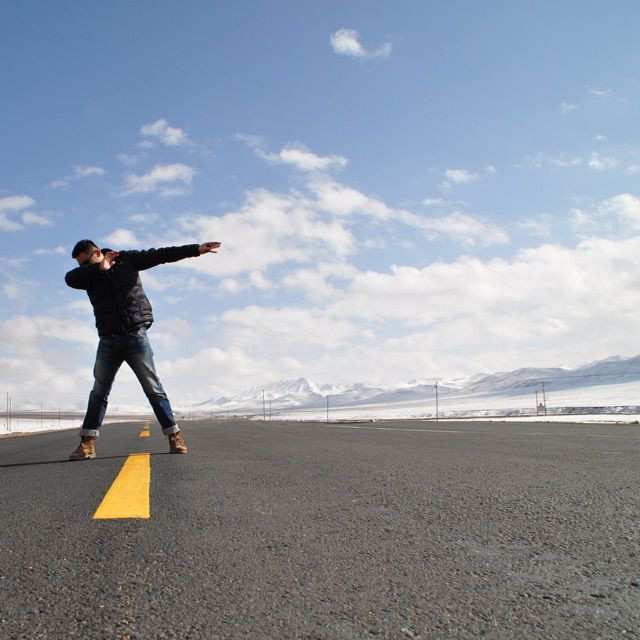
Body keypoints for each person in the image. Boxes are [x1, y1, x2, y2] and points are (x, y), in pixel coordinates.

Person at [65, 239, 221, 460]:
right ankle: (87, 444)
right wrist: (99, 269)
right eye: (81, 265)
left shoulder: (127, 260)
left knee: (153, 388)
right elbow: (70, 278)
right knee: (99, 392)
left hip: (135, 336)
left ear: (97, 252)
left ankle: (174, 436)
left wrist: (195, 250)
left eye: (85, 262)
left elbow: (160, 255)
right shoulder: (89, 275)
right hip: (108, 341)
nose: (83, 268)